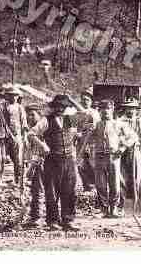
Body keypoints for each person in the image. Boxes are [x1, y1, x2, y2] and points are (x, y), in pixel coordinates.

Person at [79, 99, 138, 218]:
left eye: (108, 109)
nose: (105, 112)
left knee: (115, 184)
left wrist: (122, 148)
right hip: (99, 156)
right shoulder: (96, 125)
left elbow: (133, 137)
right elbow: (86, 140)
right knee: (100, 184)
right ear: (99, 111)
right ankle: (104, 209)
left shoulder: (119, 124)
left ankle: (114, 208)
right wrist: (81, 151)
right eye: (102, 110)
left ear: (112, 110)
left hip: (113, 156)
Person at [28, 94, 79, 231]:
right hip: (52, 160)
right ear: (54, 107)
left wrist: (72, 100)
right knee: (52, 192)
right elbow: (31, 134)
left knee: (69, 191)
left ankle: (68, 220)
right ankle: (52, 221)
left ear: (66, 107)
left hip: (69, 160)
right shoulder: (46, 120)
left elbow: (87, 116)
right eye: (58, 106)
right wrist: (43, 146)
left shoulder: (71, 119)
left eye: (63, 106)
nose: (60, 109)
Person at [118, 98, 141, 212]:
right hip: (123, 152)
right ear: (125, 109)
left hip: (135, 151)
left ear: (136, 110)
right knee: (124, 178)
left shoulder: (139, 121)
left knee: (137, 178)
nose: (130, 111)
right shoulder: (121, 121)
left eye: (132, 108)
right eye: (128, 108)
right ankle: (127, 206)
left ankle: (139, 206)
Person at [72, 88, 101, 192]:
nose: (85, 101)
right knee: (80, 164)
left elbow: (96, 127)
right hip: (80, 142)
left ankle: (95, 186)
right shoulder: (77, 113)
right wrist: (75, 133)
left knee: (92, 164)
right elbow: (73, 126)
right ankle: (86, 185)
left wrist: (84, 133)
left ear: (91, 101)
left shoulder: (94, 113)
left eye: (87, 99)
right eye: (83, 99)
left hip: (91, 142)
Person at [24, 104, 44, 228]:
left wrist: (33, 164)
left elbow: (41, 148)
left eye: (33, 114)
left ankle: (37, 218)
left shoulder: (41, 128)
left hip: (41, 162)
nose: (30, 117)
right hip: (35, 161)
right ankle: (36, 216)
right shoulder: (31, 128)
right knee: (36, 190)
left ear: (39, 114)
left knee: (38, 190)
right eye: (28, 115)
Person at [4, 86, 28, 186]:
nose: (13, 97)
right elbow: (3, 123)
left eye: (15, 96)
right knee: (6, 158)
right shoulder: (5, 107)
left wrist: (25, 136)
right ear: (8, 96)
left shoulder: (20, 107)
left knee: (18, 159)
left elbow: (24, 123)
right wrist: (9, 134)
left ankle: (18, 179)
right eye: (11, 95)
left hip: (18, 136)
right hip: (6, 136)